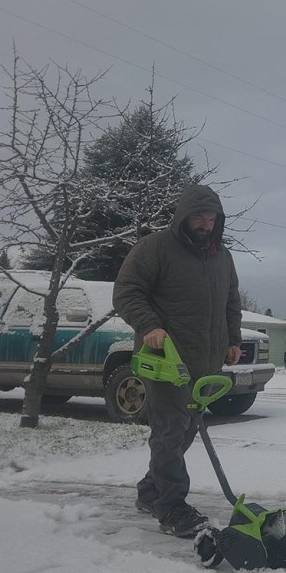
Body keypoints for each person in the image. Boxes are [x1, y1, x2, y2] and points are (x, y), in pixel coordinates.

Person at [113, 184, 242, 537]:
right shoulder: (156, 247)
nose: (205, 224)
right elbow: (126, 292)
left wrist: (234, 339)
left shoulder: (222, 256)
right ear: (183, 217)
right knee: (170, 432)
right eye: (198, 217)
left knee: (186, 430)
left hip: (205, 363)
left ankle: (150, 491)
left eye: (211, 217)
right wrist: (149, 325)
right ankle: (171, 508)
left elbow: (232, 302)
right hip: (167, 360)